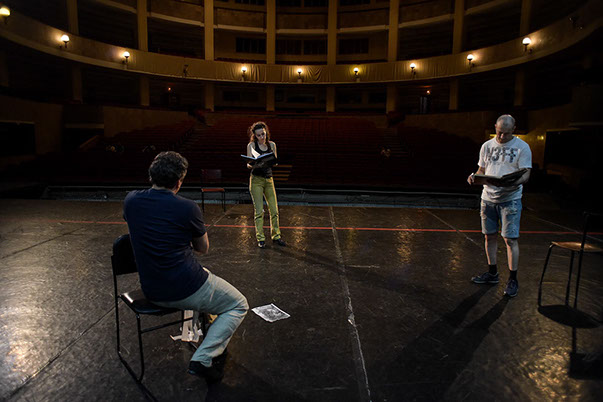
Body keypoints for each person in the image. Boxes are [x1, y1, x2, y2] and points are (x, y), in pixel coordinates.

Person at [123, 151, 248, 383]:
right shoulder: (187, 208)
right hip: (184, 288)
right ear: (179, 182)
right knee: (238, 304)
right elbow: (203, 248)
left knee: (208, 276)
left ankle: (210, 329)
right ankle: (204, 357)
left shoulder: (131, 201)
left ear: (151, 176)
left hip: (151, 288)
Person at [467, 114, 532, 297]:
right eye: (499, 132)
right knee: (489, 237)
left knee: (510, 240)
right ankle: (492, 273)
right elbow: (482, 169)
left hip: (510, 198)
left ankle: (513, 279)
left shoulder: (522, 147)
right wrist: (474, 177)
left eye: (506, 133)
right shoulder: (487, 146)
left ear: (514, 129)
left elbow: (526, 174)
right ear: (495, 126)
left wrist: (512, 183)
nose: (502, 137)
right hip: (488, 197)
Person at [246, 121, 286, 248]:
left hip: (269, 179)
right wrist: (254, 164)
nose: (262, 137)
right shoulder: (251, 145)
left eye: (263, 134)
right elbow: (248, 164)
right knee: (259, 211)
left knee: (274, 209)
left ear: (266, 133)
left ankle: (276, 236)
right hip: (256, 180)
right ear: (255, 136)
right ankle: (261, 238)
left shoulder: (272, 145)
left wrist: (269, 161)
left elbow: (275, 162)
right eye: (258, 135)